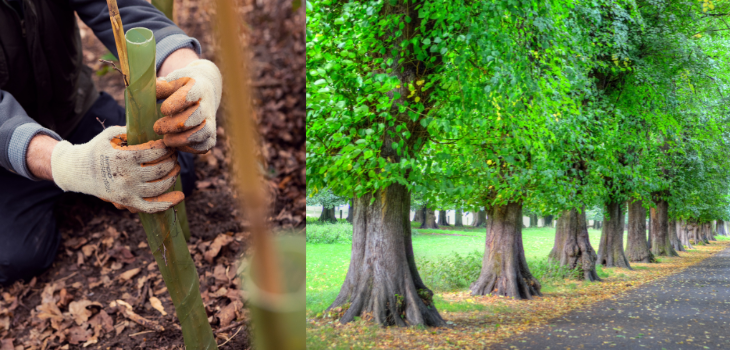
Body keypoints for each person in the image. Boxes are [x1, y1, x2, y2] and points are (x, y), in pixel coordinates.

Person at [0, 0, 223, 284]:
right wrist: (67, 164)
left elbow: (123, 8)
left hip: (74, 112)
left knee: (174, 172)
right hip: (6, 156)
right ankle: (68, 183)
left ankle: (77, 185)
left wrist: (196, 71)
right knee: (16, 257)